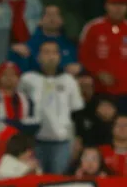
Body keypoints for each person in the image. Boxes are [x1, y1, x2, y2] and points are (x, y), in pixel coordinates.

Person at [19, 41, 84, 174]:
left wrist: (78, 138)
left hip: (61, 141)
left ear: (59, 57)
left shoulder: (68, 80)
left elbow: (77, 111)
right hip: (34, 140)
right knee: (34, 179)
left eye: (54, 52)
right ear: (38, 56)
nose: (50, 56)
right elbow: (20, 106)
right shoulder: (27, 79)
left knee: (57, 183)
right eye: (46, 52)